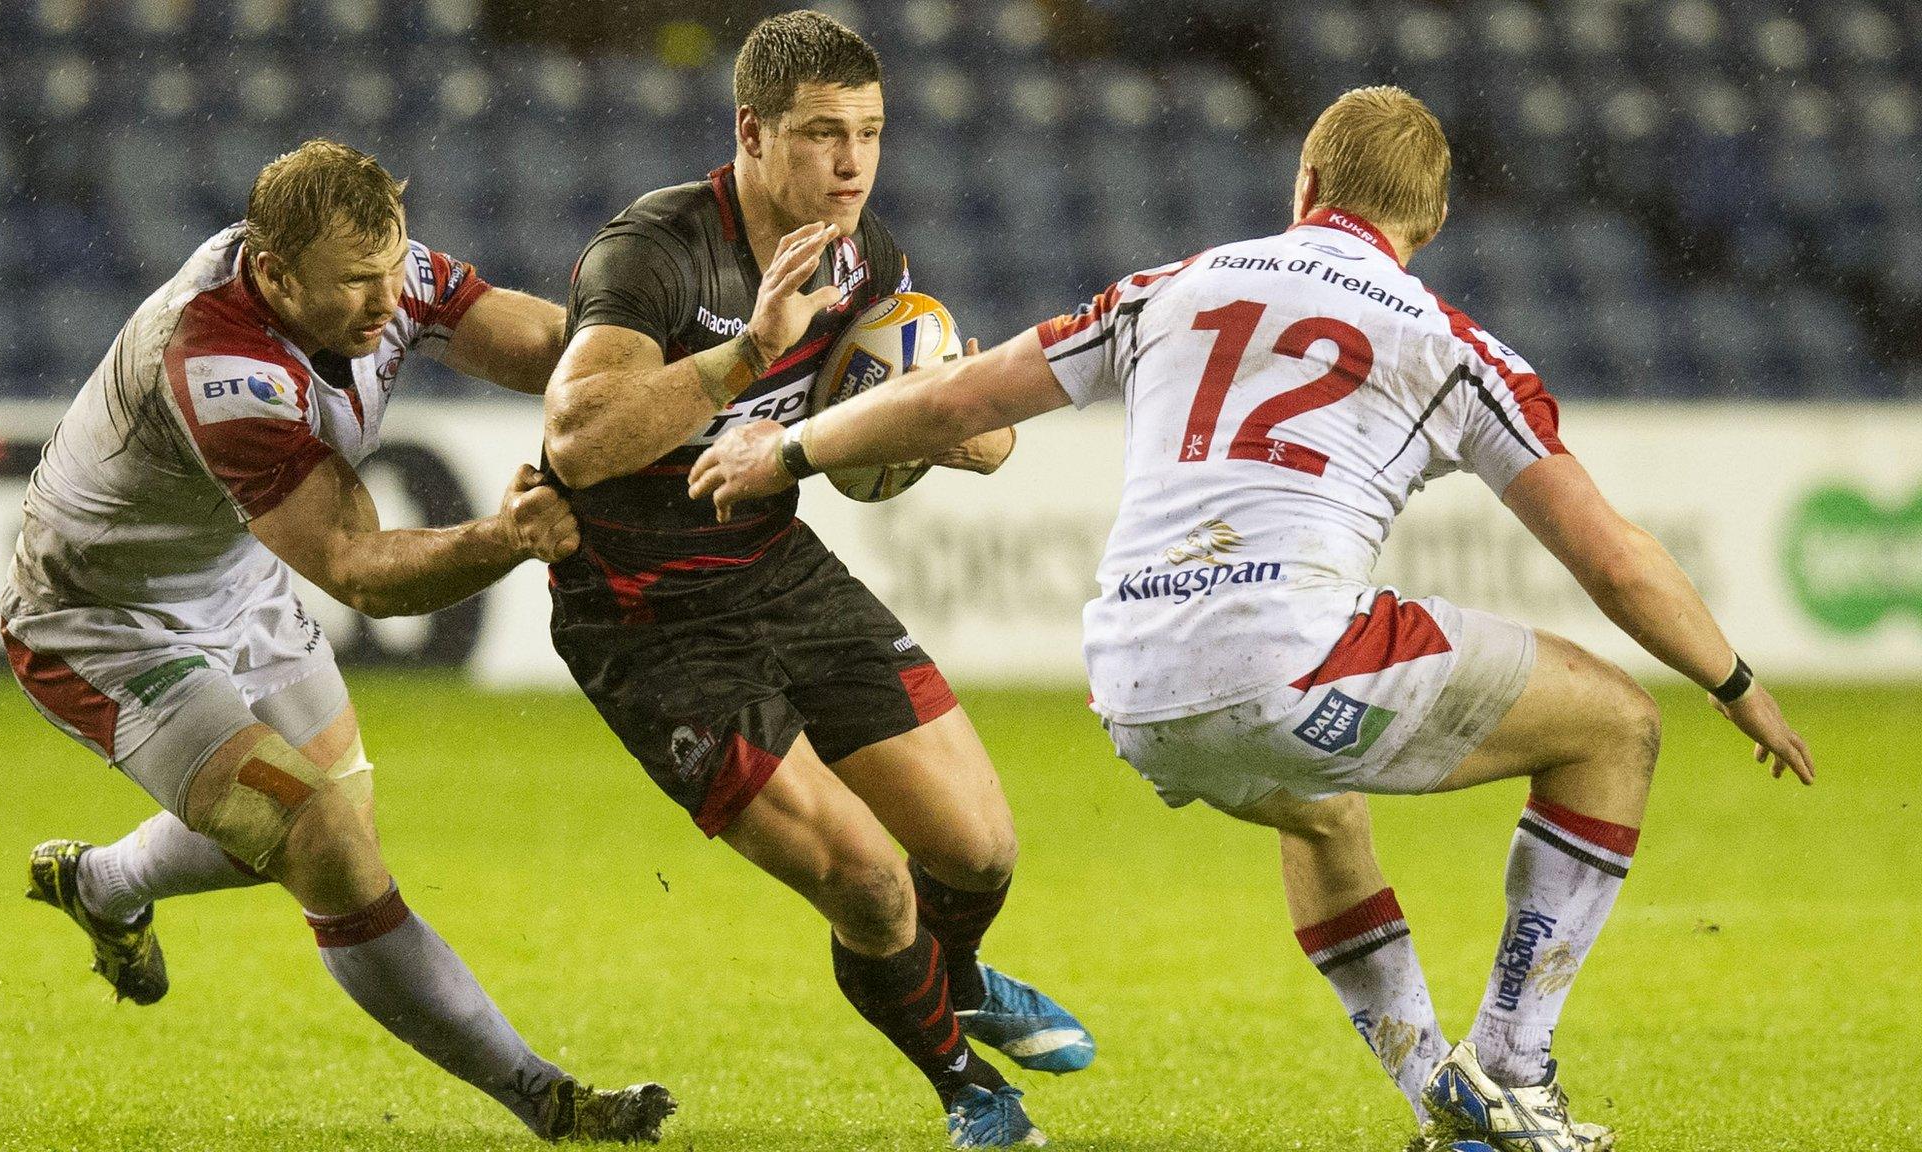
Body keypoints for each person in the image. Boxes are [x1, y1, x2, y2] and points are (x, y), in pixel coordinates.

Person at [688, 86, 1816, 1152]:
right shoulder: (1448, 344)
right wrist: (1733, 683)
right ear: (1426, 219)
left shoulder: (1167, 286)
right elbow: (1611, 561)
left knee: (1319, 817)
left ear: (1307, 176)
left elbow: (954, 399)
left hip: (1129, 686)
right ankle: (1515, 1068)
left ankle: (1439, 1089)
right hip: (1288, 663)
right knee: (1614, 725)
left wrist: (781, 446)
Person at [8, 140, 674, 1143]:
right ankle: (548, 1099)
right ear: (274, 274)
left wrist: (684, 380)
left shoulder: (377, 271)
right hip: (104, 626)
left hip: (239, 585)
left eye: (392, 270)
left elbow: (549, 349)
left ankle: (101, 884)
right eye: (355, 283)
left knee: (320, 838)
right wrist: (503, 537)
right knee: (321, 843)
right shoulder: (216, 356)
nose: (383, 300)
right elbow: (357, 567)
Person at [540, 11, 1090, 1147]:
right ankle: (967, 1088)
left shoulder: (865, 253)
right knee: (869, 883)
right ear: (750, 132)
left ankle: (959, 977)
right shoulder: (652, 252)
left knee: (977, 847)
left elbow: (928, 402)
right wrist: (748, 347)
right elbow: (580, 445)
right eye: (820, 134)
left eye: (869, 134)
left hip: (777, 565)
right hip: (648, 618)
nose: (850, 163)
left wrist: (964, 433)